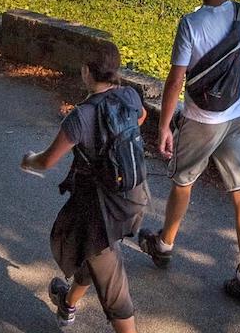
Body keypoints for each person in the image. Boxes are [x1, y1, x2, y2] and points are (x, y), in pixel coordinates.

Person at [137, 0, 240, 305]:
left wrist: (164, 124)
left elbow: (177, 78)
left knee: (183, 180)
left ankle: (164, 245)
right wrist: (237, 88)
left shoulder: (190, 24)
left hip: (201, 119)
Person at [22, 49, 148, 331]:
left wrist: (28, 160)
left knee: (116, 294)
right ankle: (67, 304)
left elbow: (47, 161)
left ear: (86, 72)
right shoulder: (129, 96)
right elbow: (141, 118)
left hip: (99, 214)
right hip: (133, 198)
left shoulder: (81, 116)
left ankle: (75, 308)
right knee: (91, 256)